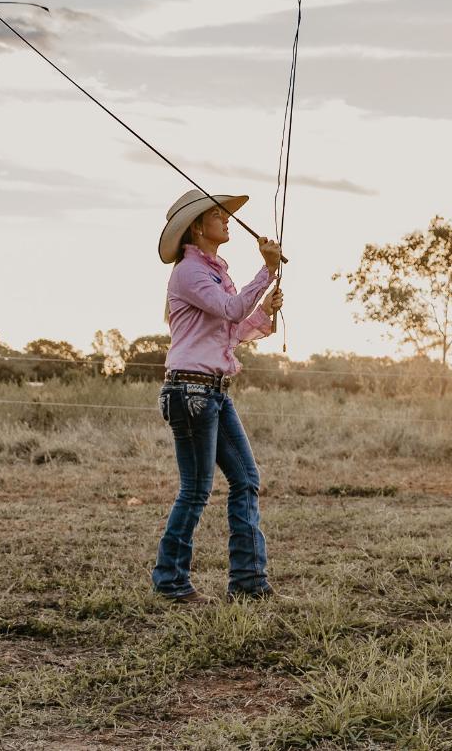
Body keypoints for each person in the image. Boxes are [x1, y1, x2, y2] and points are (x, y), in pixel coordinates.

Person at [152, 190, 285, 604]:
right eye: (218, 215)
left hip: (212, 391)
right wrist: (265, 271)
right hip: (190, 390)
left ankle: (248, 583)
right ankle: (171, 581)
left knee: (246, 480)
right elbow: (230, 310)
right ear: (197, 227)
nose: (227, 220)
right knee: (195, 491)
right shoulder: (189, 273)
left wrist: (265, 310)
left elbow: (232, 329)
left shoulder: (213, 272)